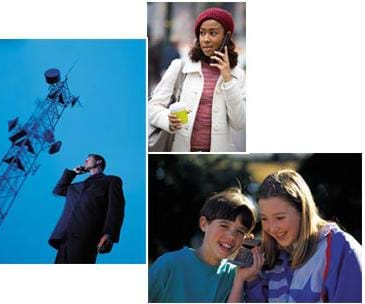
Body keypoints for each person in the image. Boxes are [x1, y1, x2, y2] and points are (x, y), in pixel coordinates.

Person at [236, 169, 362, 302]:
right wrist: (252, 279)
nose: (272, 228)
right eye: (264, 219)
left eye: (280, 218)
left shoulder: (341, 249)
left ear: (303, 210)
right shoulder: (272, 258)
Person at [148, 7, 246, 152]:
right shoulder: (180, 67)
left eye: (213, 33)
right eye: (202, 33)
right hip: (180, 150)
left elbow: (239, 123)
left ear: (227, 36)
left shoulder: (237, 75)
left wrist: (227, 78)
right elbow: (152, 107)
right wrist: (168, 119)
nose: (206, 39)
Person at [149, 188, 257, 302]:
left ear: (246, 239)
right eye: (224, 226)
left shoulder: (234, 275)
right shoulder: (170, 264)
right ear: (204, 224)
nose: (231, 236)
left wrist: (240, 279)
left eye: (240, 231)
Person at [48, 154, 125, 264]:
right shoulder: (76, 187)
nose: (85, 160)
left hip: (86, 237)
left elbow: (116, 209)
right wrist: (73, 173)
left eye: (89, 158)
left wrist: (109, 234)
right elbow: (59, 190)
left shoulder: (111, 181)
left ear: (98, 162)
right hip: (64, 240)